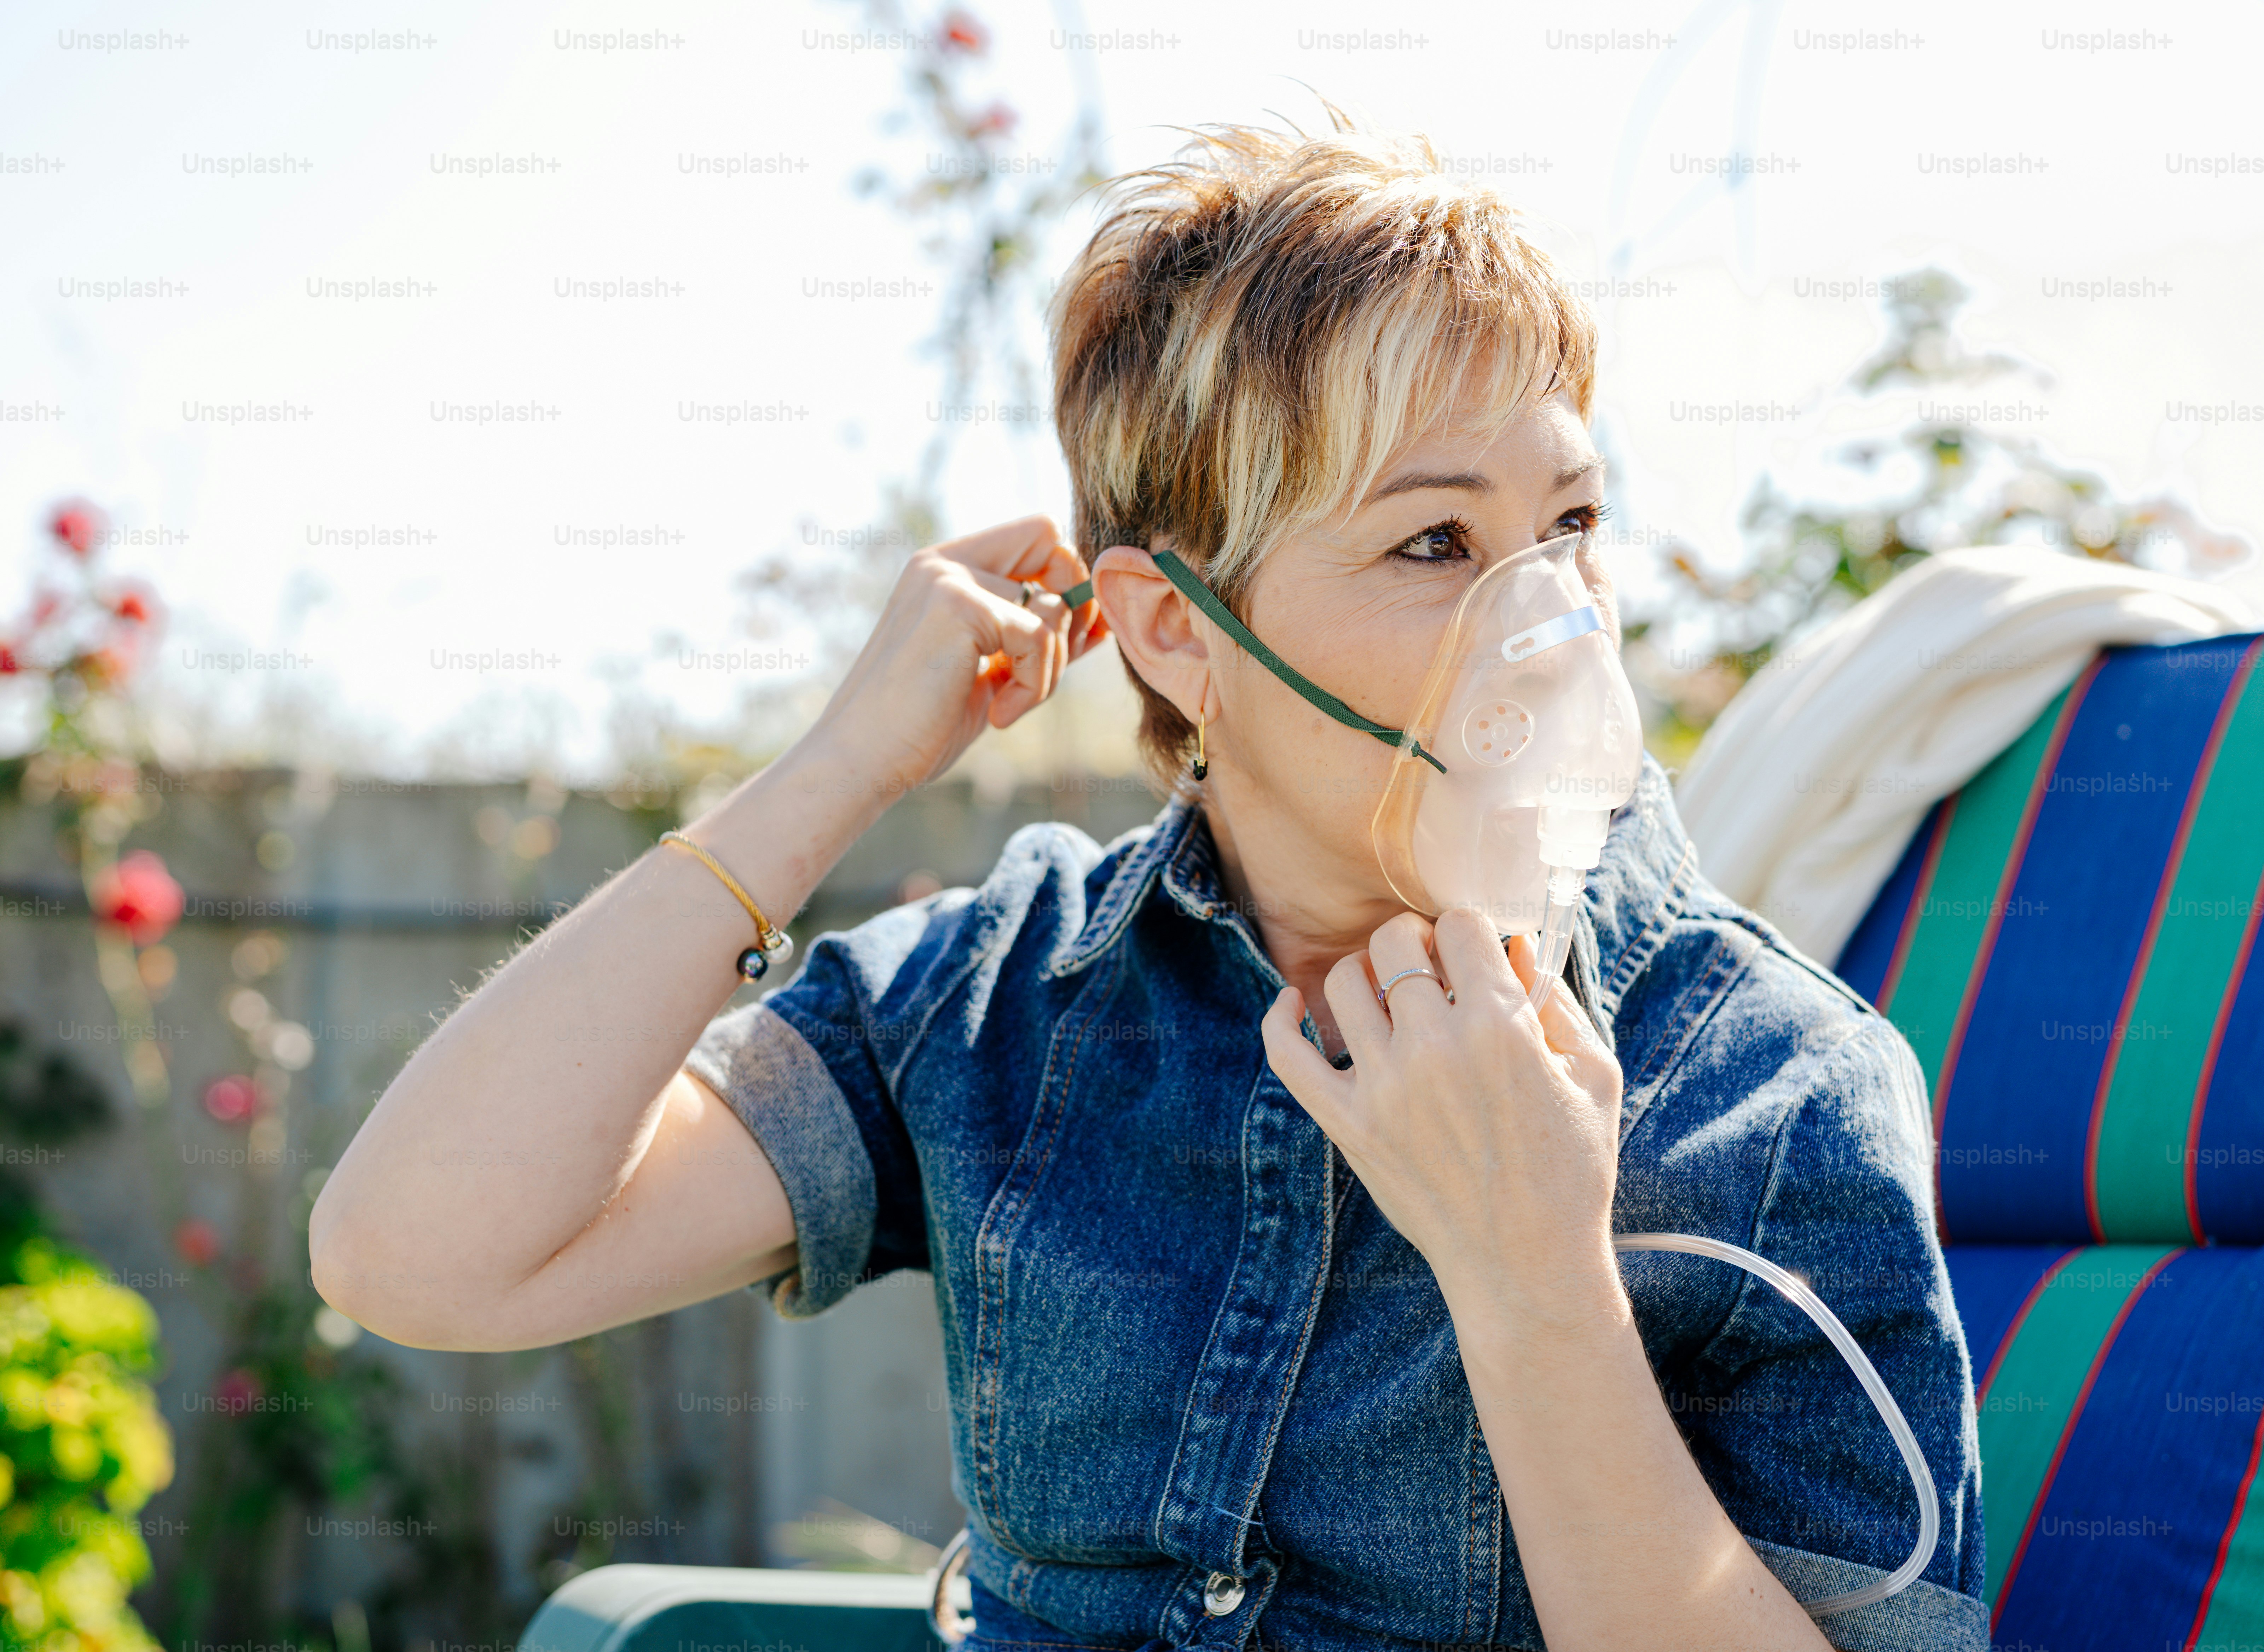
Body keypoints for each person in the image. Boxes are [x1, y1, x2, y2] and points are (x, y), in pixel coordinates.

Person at [311, 111, 1988, 1652]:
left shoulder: (1772, 1097)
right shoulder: (1006, 1003)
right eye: (1435, 544)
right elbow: (420, 1257)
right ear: (1180, 628)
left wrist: (1534, 1273)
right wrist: (835, 773)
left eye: (1569, 523)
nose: (1547, 619)